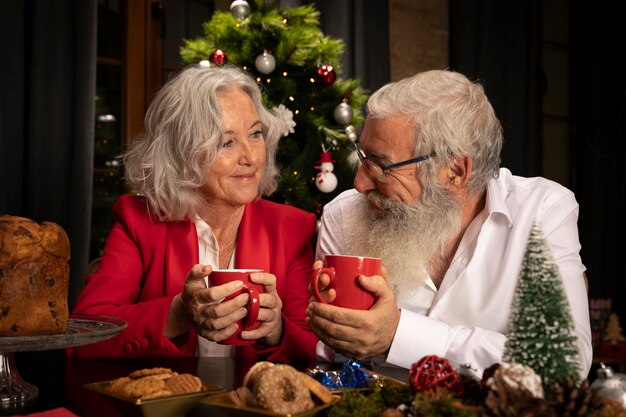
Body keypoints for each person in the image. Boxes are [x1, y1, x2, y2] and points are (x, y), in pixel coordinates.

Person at [307, 69, 592, 379]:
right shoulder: (345, 215)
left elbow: (563, 365)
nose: (360, 183)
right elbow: (333, 360)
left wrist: (399, 335)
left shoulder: (542, 210)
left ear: (454, 170)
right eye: (364, 156)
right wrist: (335, 328)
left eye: (381, 165)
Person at [70, 65, 318, 362]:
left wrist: (275, 329)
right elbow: (84, 336)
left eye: (255, 134)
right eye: (226, 142)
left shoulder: (291, 228)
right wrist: (177, 314)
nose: (251, 157)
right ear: (182, 153)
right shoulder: (140, 222)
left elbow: (311, 350)